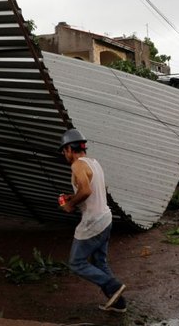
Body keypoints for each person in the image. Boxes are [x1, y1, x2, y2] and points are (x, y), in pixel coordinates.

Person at [58, 128, 127, 313]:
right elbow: (95, 189)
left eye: (64, 151)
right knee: (100, 262)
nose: (65, 155)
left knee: (76, 263)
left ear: (69, 149)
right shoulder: (94, 163)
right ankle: (119, 303)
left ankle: (112, 285)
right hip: (105, 218)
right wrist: (73, 196)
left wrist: (70, 204)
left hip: (93, 222)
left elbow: (87, 191)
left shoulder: (77, 165)